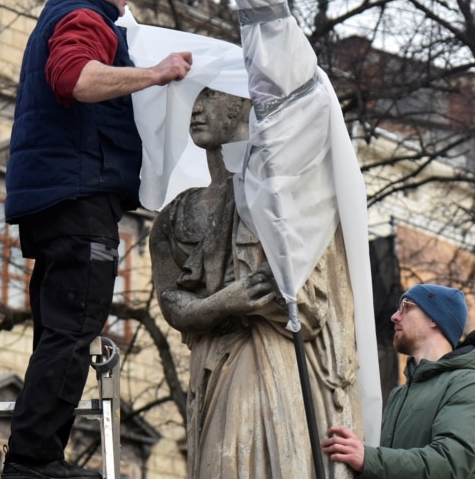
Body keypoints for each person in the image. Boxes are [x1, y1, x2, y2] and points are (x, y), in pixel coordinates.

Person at [1, 0, 193, 479]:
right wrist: (156, 73)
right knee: (75, 325)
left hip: (57, 197)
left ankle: (33, 456)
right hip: (76, 197)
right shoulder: (82, 17)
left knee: (61, 328)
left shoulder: (65, 17)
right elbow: (75, 79)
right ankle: (34, 463)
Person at [150, 87, 363, 479]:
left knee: (237, 461)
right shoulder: (175, 215)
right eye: (193, 97)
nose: (196, 107)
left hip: (265, 354)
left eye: (210, 94)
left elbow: (317, 303)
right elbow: (171, 303)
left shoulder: (282, 194)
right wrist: (225, 303)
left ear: (241, 104)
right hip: (210, 359)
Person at [321, 283, 475, 479]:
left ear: (435, 317)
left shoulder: (472, 385)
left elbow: (449, 464)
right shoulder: (400, 394)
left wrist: (369, 459)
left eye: (406, 307)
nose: (395, 316)